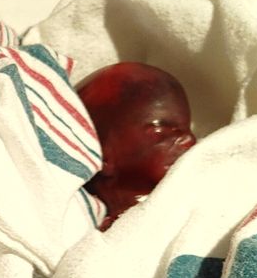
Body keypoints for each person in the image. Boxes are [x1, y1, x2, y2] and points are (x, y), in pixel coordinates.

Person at [77, 62, 196, 228]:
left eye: (188, 129)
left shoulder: (190, 192)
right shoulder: (80, 215)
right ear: (102, 153)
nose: (189, 140)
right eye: (161, 131)